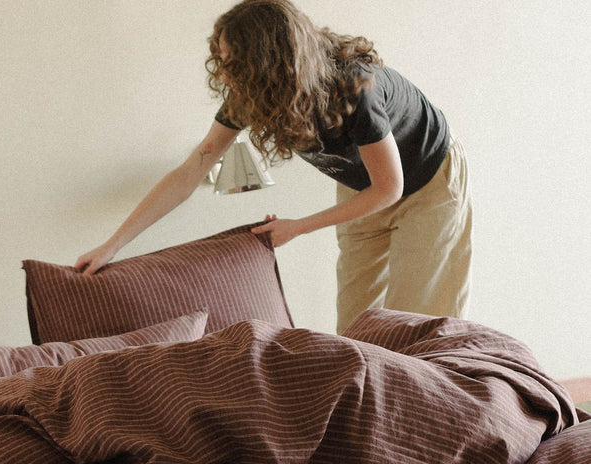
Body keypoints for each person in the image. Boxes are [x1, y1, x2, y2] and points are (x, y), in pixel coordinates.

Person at [74, 0, 472, 334]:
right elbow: (188, 173)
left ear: (272, 63)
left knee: (417, 323)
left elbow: (390, 189)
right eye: (223, 61)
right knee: (357, 325)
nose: (227, 76)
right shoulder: (248, 95)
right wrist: (113, 244)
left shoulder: (354, 87)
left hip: (426, 180)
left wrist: (297, 227)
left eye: (237, 64)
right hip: (363, 183)